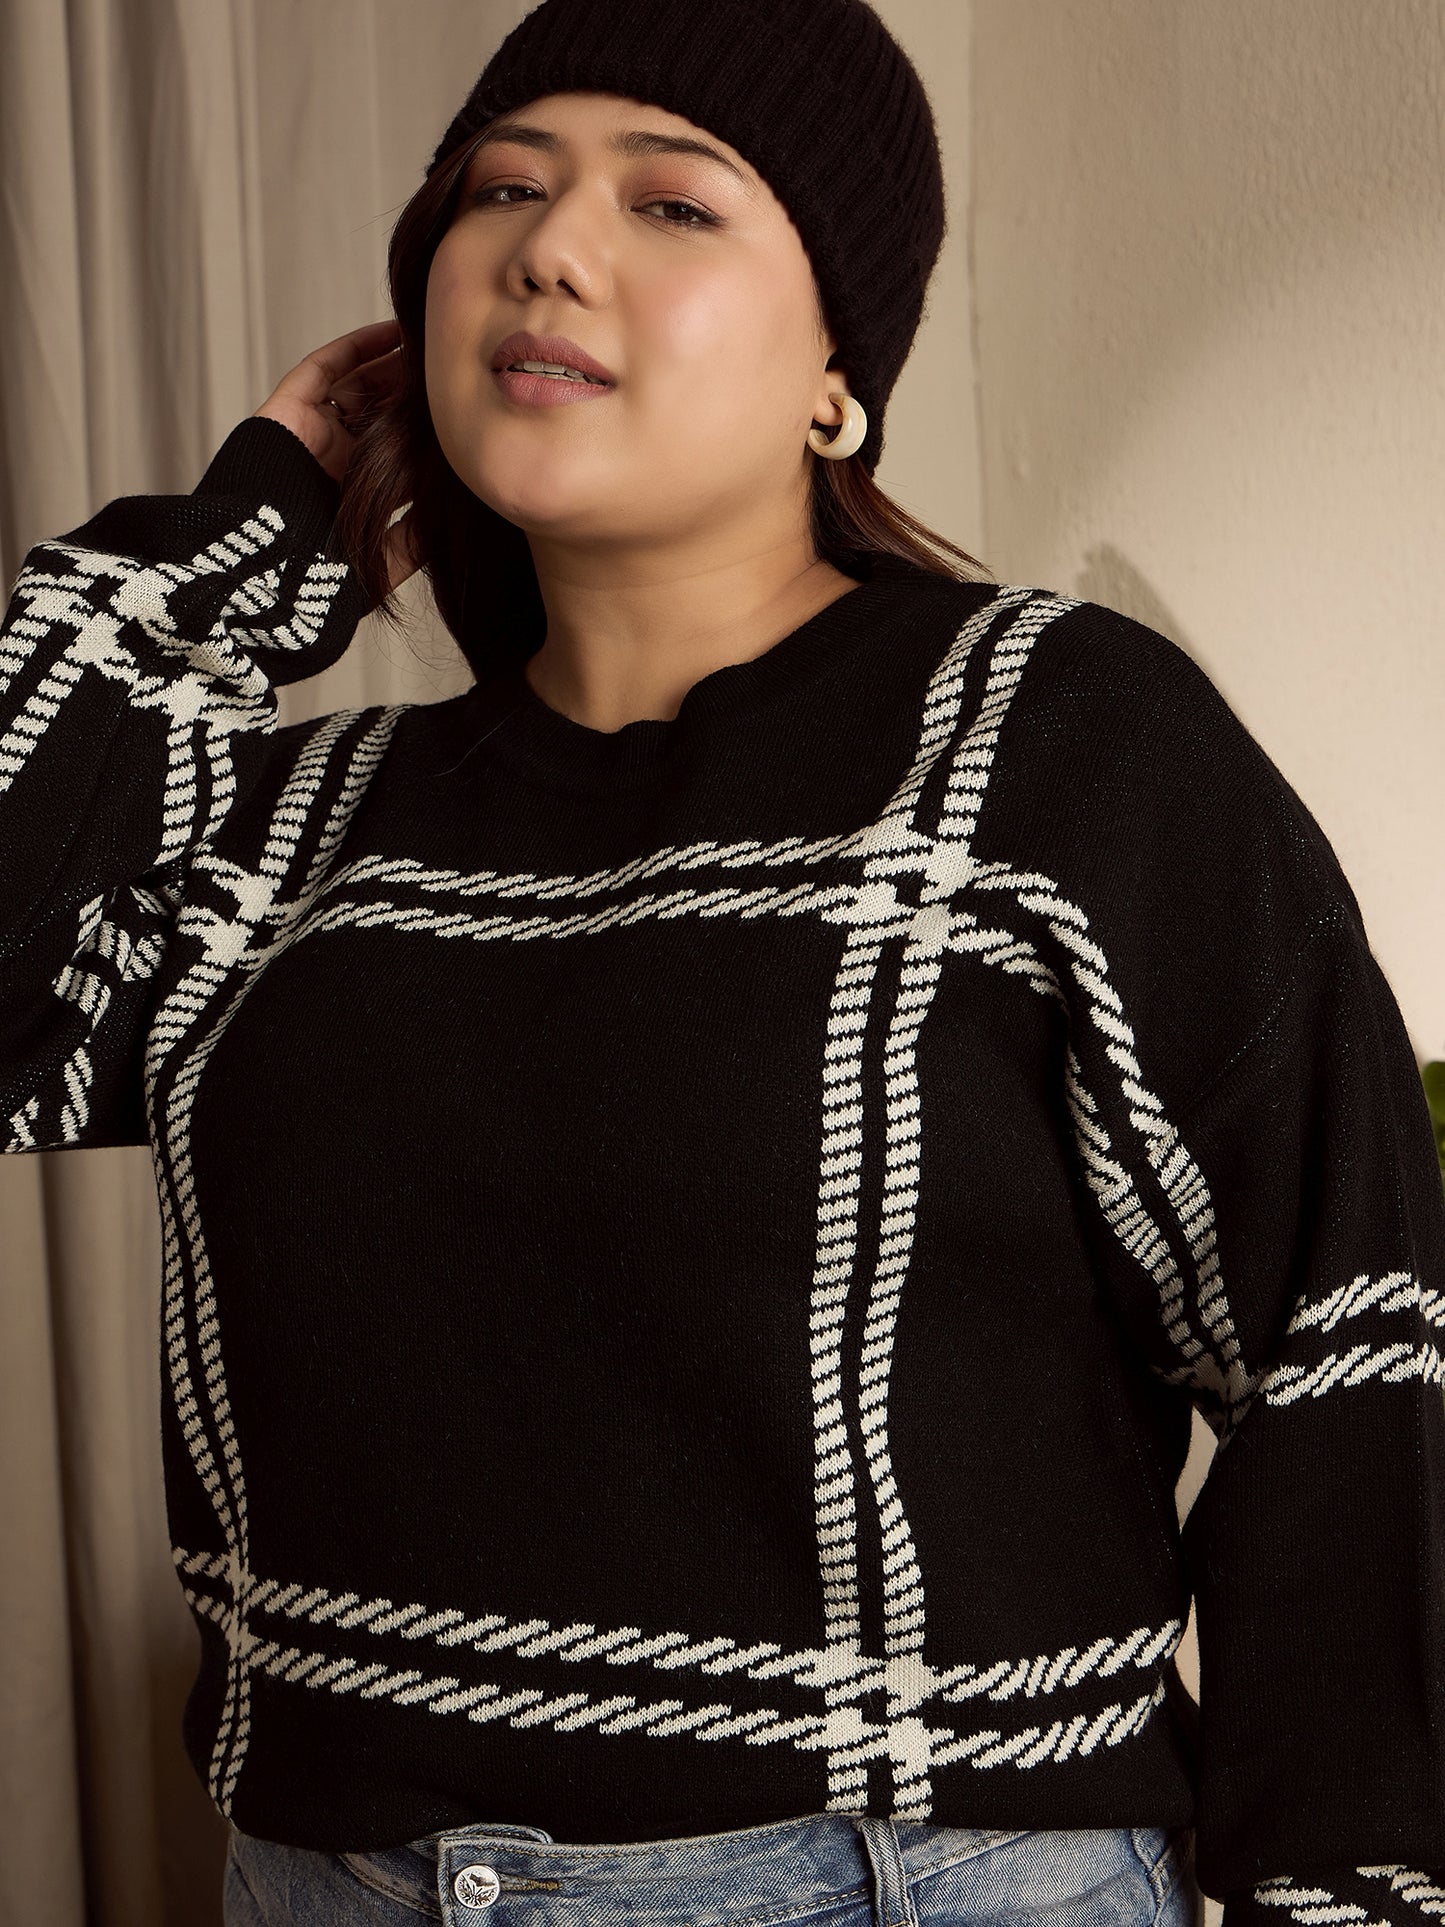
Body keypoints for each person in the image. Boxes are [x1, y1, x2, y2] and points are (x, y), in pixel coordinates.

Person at [2, 0, 1443, 1923]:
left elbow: (1343, 1346)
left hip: (903, 1880)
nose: (548, 247)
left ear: (838, 374)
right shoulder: (300, 825)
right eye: (498, 190)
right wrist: (253, 531)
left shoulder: (1054, 739)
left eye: (672, 203)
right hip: (317, 1882)